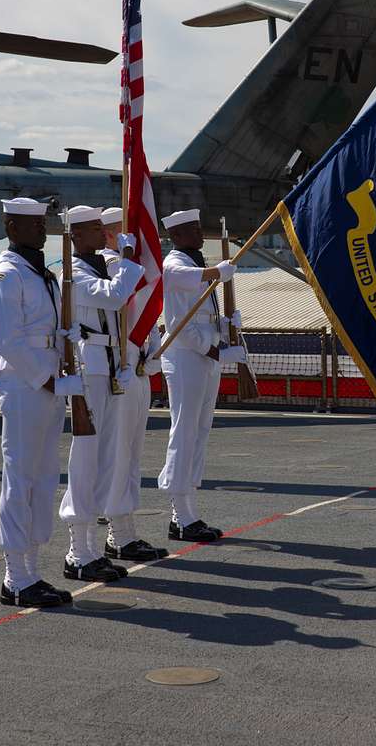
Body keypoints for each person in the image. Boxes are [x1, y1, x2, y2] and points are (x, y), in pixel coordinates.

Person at [0, 197, 81, 608]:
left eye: (43, 223)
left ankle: (32, 571)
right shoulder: (5, 275)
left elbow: (51, 328)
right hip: (24, 384)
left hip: (49, 379)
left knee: (43, 476)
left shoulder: (44, 274)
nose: (43, 230)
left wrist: (65, 355)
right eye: (33, 224)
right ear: (10, 226)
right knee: (20, 477)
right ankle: (15, 578)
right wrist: (44, 378)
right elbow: (7, 340)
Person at [58, 205, 147, 582]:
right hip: (89, 368)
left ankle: (93, 549)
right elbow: (114, 298)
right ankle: (78, 550)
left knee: (107, 458)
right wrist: (127, 258)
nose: (104, 234)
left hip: (109, 365)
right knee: (87, 459)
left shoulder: (99, 267)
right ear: (77, 235)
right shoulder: (74, 272)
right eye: (95, 229)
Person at [157, 208, 246, 542]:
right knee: (184, 432)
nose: (199, 234)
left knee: (199, 431)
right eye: (193, 229)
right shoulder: (175, 264)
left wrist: (225, 327)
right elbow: (182, 323)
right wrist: (215, 351)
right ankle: (180, 515)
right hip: (186, 358)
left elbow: (202, 316)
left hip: (206, 356)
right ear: (177, 235)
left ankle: (188, 509)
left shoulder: (194, 264)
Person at [96, 206, 168, 563]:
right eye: (126, 233)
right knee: (118, 456)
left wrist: (152, 352)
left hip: (137, 369)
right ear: (110, 235)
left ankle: (125, 533)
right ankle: (117, 534)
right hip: (116, 372)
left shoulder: (131, 269)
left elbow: (147, 316)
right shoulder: (107, 268)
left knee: (133, 455)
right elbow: (118, 297)